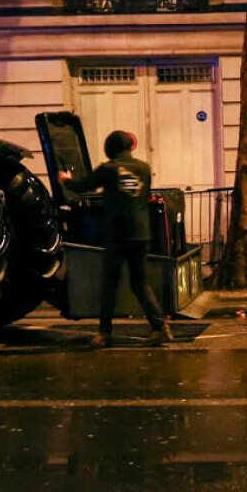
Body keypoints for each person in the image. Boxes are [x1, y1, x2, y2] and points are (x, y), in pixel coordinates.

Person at [57, 130, 170, 348]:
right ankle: (159, 327)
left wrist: (66, 180)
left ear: (109, 147)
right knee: (140, 283)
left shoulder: (108, 169)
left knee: (109, 284)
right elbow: (142, 197)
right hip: (140, 233)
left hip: (117, 234)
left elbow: (83, 186)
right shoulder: (143, 168)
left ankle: (104, 333)